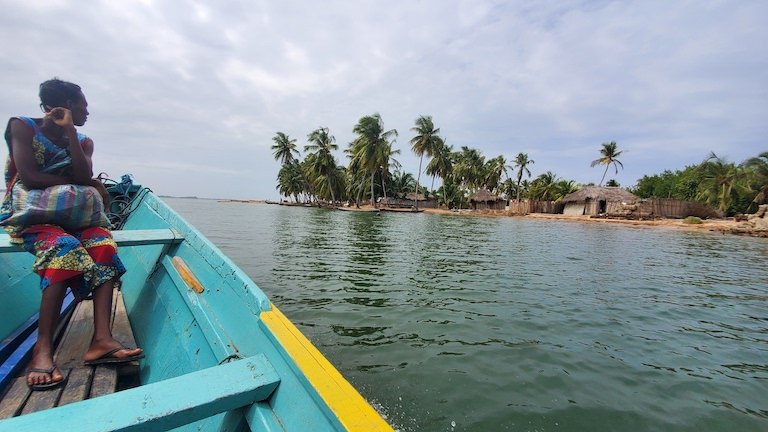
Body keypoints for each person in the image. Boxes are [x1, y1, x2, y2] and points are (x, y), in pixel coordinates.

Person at [0, 78, 143, 390]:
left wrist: (69, 134)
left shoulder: (82, 140)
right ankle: (43, 349)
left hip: (75, 221)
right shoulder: (22, 127)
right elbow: (29, 177)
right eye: (83, 105)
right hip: (33, 219)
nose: (87, 111)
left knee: (104, 244)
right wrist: (82, 187)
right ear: (62, 104)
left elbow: (82, 175)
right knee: (64, 247)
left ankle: (101, 340)